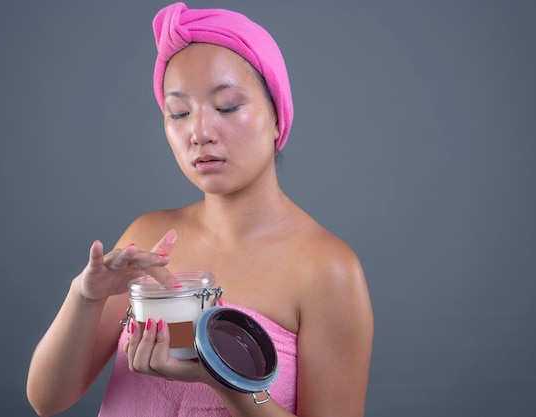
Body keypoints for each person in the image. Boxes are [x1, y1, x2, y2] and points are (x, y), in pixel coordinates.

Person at [26, 2, 373, 416]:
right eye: (179, 113)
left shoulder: (327, 269)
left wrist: (219, 379)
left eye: (226, 106)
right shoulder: (150, 236)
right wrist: (85, 297)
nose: (200, 133)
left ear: (278, 116)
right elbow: (46, 400)